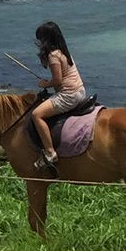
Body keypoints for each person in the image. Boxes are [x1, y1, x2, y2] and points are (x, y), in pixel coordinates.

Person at [27, 20, 89, 178]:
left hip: (68, 95)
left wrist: (45, 84)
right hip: (79, 91)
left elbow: (58, 81)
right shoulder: (63, 51)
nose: (40, 44)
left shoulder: (53, 55)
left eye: (41, 40)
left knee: (36, 115)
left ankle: (49, 152)